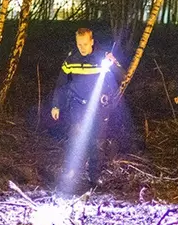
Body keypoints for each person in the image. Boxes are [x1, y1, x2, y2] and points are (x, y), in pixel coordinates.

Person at [51, 27, 124, 186]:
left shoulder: (102, 57)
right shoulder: (71, 59)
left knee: (97, 141)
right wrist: (56, 105)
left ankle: (94, 176)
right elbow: (61, 83)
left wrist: (114, 63)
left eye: (85, 44)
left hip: (99, 105)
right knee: (76, 138)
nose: (82, 47)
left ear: (91, 41)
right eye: (79, 44)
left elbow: (121, 77)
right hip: (78, 105)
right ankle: (72, 172)